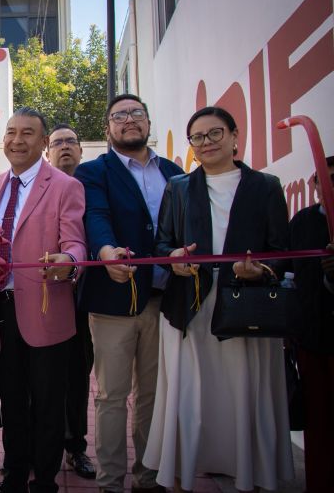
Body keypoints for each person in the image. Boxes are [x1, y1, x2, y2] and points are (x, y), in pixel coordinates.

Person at [144, 106, 294, 492]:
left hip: (246, 307)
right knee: (190, 396)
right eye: (198, 137)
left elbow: (280, 250)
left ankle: (251, 473)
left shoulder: (266, 186)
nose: (206, 143)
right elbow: (164, 243)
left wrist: (260, 271)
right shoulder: (178, 187)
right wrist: (174, 259)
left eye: (215, 134)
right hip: (189, 306)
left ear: (234, 136)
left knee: (245, 392)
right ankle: (183, 473)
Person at [74, 93, 182, 493]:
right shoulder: (93, 172)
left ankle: (149, 477)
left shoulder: (173, 171)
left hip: (164, 301)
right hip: (112, 301)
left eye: (137, 113)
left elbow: (179, 232)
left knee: (154, 395)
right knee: (112, 396)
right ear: (108, 129)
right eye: (119, 115)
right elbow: (96, 216)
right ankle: (110, 482)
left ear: (149, 122)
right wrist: (105, 253)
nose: (129, 120)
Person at [0, 108, 86, 493]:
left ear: (44, 142)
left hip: (47, 310)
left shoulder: (64, 186)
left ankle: (44, 480)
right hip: (0, 309)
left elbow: (77, 242)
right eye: (11, 132)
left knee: (48, 403)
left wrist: (71, 262)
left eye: (27, 133)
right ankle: (14, 476)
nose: (17, 139)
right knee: (12, 401)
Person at [45, 124, 94, 480]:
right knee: (40, 380)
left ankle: (75, 446)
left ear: (80, 151)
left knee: (77, 377)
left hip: (84, 301)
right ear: (47, 152)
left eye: (70, 142)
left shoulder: (94, 189)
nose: (64, 148)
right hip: (44, 300)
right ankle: (35, 448)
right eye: (57, 142)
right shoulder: (39, 189)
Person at [287, 156, 334, 491]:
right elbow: (290, 272)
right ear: (316, 186)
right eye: (326, 180)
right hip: (312, 335)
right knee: (318, 418)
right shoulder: (302, 222)